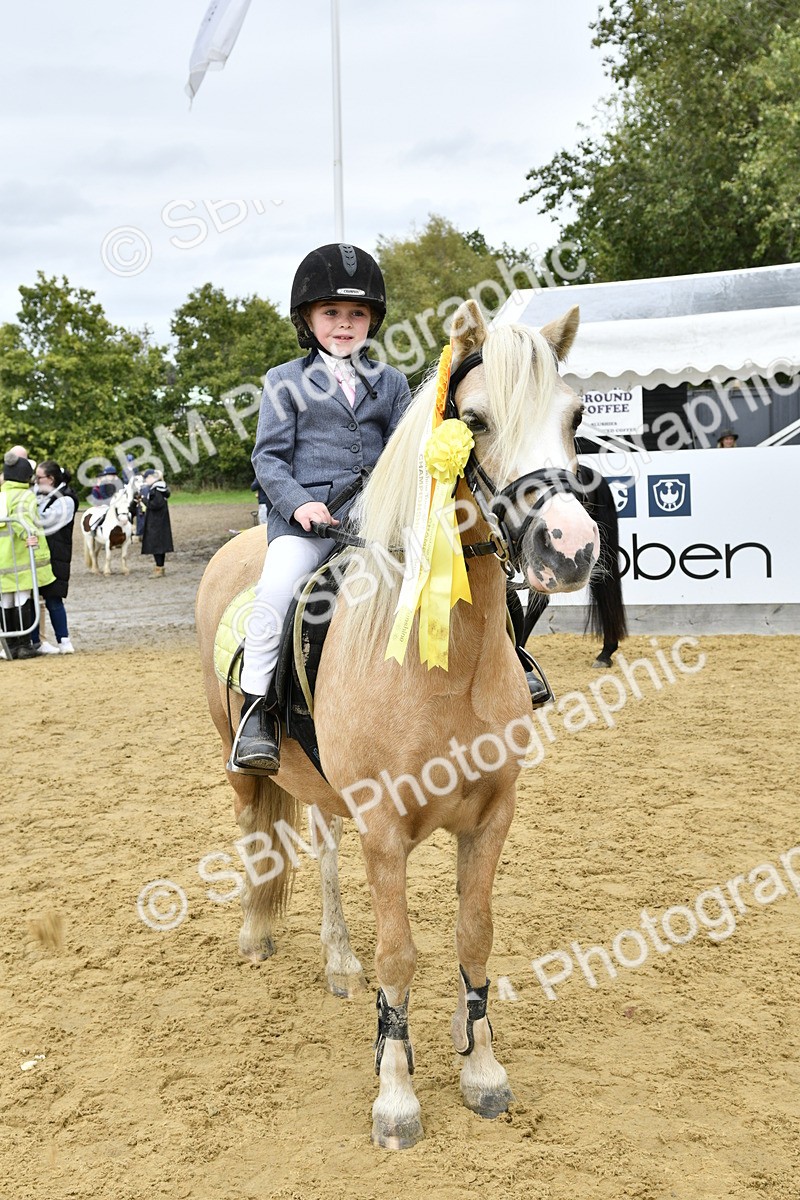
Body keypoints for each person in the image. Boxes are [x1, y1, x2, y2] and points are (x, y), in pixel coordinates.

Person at [231, 243, 412, 774]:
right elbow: (268, 459)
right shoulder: (284, 380)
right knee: (275, 594)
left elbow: (402, 453)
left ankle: (513, 660)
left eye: (357, 313)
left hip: (376, 523)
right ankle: (258, 714)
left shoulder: (392, 383)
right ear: (308, 320)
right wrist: (301, 505)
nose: (344, 323)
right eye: (331, 312)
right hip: (308, 525)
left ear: (372, 320)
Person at [0, 452, 55, 659]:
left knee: (5, 600)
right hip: (20, 556)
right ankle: (24, 645)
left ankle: (10, 645)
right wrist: (29, 534)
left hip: (3, 559)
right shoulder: (25, 495)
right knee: (21, 597)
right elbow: (22, 518)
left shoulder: (1, 495)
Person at [31, 460, 78, 654]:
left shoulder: (66, 499)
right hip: (41, 553)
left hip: (56, 554)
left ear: (50, 479)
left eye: (38, 478)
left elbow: (44, 521)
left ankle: (64, 640)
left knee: (54, 598)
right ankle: (36, 642)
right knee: (33, 599)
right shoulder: (42, 494)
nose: (35, 481)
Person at [140, 469, 173, 576]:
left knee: (157, 546)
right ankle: (160, 567)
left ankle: (159, 569)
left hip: (156, 522)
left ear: (151, 477)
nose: (145, 481)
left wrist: (143, 500)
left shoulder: (156, 489)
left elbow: (155, 505)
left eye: (146, 478)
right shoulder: (160, 488)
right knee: (159, 546)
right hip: (160, 521)